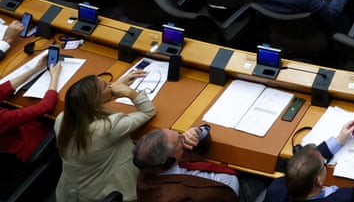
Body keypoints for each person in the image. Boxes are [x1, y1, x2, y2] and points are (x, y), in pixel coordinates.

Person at [55, 67, 157, 202]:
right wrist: (130, 93)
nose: (111, 86)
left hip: (69, 195)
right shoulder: (108, 127)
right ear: (95, 100)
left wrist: (112, 90)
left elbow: (90, 106)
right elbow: (147, 111)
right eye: (106, 86)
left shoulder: (62, 119)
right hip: (105, 195)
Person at [267, 119, 354, 202]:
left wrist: (338, 140)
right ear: (319, 180)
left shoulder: (277, 189)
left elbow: (306, 162)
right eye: (323, 164)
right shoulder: (343, 199)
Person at [133, 124, 253, 202]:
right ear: (169, 160)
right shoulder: (173, 197)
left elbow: (196, 146)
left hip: (225, 174)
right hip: (235, 193)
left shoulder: (154, 162)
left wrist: (198, 132)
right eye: (178, 140)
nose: (183, 137)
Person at [0, 43, 62, 163]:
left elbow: (3, 89)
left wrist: (36, 68)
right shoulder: (2, 118)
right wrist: (54, 77)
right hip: (27, 149)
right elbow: (46, 107)